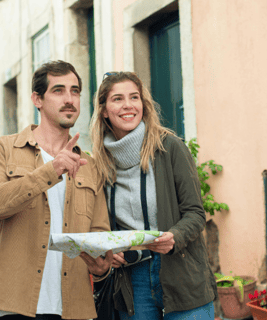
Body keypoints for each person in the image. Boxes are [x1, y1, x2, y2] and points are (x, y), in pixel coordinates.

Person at [0, 60, 113, 320]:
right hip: (12, 304)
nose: (69, 99)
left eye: (75, 91)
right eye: (58, 90)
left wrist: (101, 267)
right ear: (37, 99)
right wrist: (51, 170)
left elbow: (99, 233)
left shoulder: (90, 165)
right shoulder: (2, 150)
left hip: (73, 308)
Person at [89, 71, 218, 320]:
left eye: (134, 97)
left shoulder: (169, 148)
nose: (128, 105)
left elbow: (195, 213)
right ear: (104, 110)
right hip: (131, 280)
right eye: (117, 99)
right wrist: (108, 249)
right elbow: (98, 223)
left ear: (143, 104)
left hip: (179, 271)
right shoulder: (99, 163)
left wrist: (175, 236)